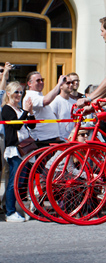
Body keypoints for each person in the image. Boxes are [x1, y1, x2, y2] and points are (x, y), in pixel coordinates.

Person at [1, 82, 36, 222]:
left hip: (25, 148)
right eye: (16, 92)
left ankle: (20, 209)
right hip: (15, 149)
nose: (19, 95)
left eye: (21, 92)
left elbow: (31, 126)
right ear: (8, 93)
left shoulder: (21, 110)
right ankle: (10, 212)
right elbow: (15, 125)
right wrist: (26, 112)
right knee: (14, 181)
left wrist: (30, 112)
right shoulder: (7, 109)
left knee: (22, 181)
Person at [24, 71, 67, 147]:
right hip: (43, 139)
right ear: (29, 84)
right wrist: (59, 84)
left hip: (51, 137)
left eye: (42, 80)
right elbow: (46, 101)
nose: (41, 82)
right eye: (38, 80)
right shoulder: (30, 97)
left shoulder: (38, 95)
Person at [50, 73, 78, 140]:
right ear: (61, 86)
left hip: (73, 139)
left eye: (72, 83)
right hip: (60, 139)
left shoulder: (74, 102)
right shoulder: (55, 101)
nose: (71, 85)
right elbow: (52, 121)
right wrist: (56, 137)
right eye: (68, 83)